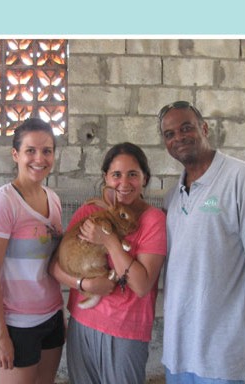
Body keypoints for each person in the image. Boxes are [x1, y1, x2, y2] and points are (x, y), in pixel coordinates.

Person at [49, 142, 168, 384]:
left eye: (133, 174)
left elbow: (142, 285)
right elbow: (54, 266)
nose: (124, 183)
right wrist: (84, 284)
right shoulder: (90, 212)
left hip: (125, 331)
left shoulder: (153, 220)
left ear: (145, 178)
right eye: (116, 175)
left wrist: (109, 240)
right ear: (106, 179)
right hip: (83, 322)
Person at [158, 101, 245, 383]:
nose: (179, 137)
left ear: (204, 128)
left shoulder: (240, 178)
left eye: (186, 127)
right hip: (178, 351)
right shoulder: (172, 197)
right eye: (169, 134)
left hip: (221, 354)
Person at [0, 118, 65, 384]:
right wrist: (1, 334)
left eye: (47, 150)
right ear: (15, 155)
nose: (40, 158)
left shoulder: (53, 199)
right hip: (17, 323)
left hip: (51, 315)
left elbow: (52, 261)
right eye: (31, 150)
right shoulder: (2, 205)